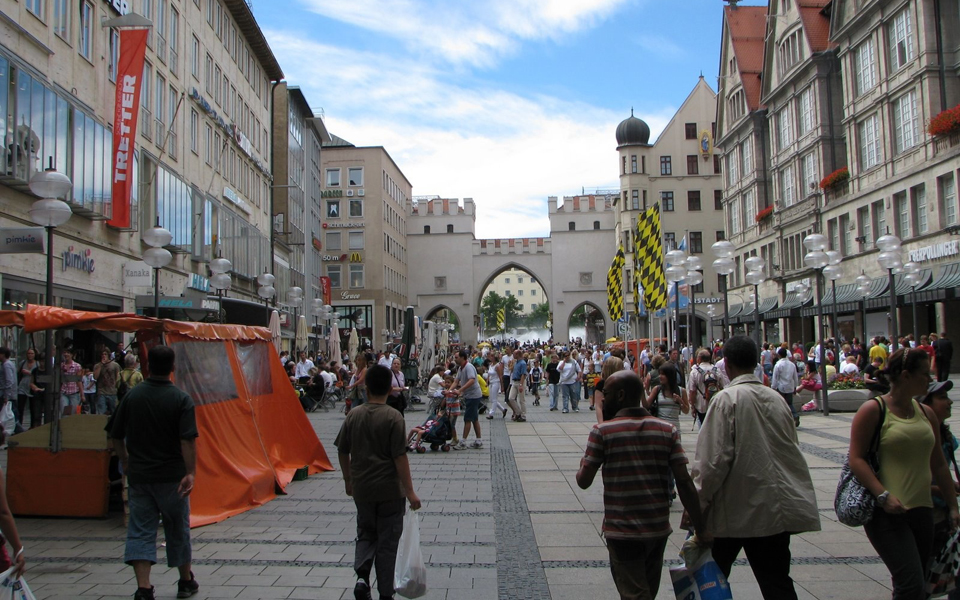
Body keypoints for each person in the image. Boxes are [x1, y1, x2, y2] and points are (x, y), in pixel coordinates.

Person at [691, 335, 820, 600]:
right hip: (773, 510)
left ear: (726, 364)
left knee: (712, 580)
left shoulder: (726, 399)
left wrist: (698, 507)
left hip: (734, 509)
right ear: (756, 362)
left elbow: (713, 461)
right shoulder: (776, 399)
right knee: (776, 582)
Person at [576, 370, 710, 600]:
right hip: (657, 528)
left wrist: (584, 462)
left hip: (621, 529)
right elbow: (684, 481)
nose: (603, 398)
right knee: (647, 588)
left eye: (606, 393)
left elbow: (583, 481)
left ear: (620, 395)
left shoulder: (603, 432)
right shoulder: (667, 430)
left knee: (635, 593)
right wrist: (701, 527)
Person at [848, 347, 959, 600]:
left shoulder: (925, 413)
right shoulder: (874, 410)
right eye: (924, 374)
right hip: (887, 512)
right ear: (906, 376)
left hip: (922, 510)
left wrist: (953, 506)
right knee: (910, 584)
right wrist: (883, 495)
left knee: (917, 586)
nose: (929, 379)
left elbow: (939, 465)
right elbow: (856, 459)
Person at [109, 345, 199, 600]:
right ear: (173, 368)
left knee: (140, 530)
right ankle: (185, 581)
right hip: (173, 478)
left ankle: (144, 588)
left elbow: (115, 434)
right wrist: (190, 472)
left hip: (140, 477)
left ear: (147, 366)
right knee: (177, 528)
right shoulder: (181, 399)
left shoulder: (132, 397)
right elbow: (187, 440)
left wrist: (125, 461)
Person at [334, 364, 421, 600]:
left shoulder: (354, 415)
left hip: (362, 488)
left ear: (366, 388)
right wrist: (410, 492)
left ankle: (362, 577)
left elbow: (342, 450)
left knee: (365, 533)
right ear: (390, 390)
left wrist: (348, 479)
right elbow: (399, 456)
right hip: (390, 490)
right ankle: (385, 593)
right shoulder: (394, 417)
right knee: (388, 542)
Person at [921, 380, 960, 600]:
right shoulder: (920, 436)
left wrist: (950, 487)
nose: (949, 402)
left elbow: (942, 469)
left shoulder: (944, 434)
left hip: (943, 511)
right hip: (927, 512)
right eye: (942, 397)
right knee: (920, 576)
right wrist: (941, 490)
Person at [449, 350, 484, 449]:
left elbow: (472, 380)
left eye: (456, 357)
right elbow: (456, 381)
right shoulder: (461, 368)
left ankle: (463, 442)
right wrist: (449, 391)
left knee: (467, 419)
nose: (455, 359)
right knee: (474, 418)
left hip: (473, 395)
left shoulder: (468, 367)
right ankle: (478, 440)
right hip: (469, 395)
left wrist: (460, 390)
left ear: (462, 358)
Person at [687, 349, 721, 427]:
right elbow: (723, 387)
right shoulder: (716, 370)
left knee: (703, 426)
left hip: (701, 406)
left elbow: (692, 391)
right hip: (715, 404)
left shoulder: (694, 372)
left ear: (699, 359)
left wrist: (692, 406)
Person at [770, 348, 800, 427]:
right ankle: (795, 415)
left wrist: (773, 387)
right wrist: (795, 387)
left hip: (781, 386)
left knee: (782, 404)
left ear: (779, 355)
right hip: (790, 386)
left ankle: (784, 420)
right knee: (790, 403)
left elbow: (775, 377)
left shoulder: (778, 364)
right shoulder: (792, 364)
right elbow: (795, 377)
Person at [593, 356, 624, 424]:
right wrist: (601, 423)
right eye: (621, 367)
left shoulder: (623, 383)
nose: (623, 370)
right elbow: (599, 406)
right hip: (608, 418)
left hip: (623, 418)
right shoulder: (601, 384)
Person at [16, 348, 39, 429]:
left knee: (33, 408)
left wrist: (29, 373)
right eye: (29, 353)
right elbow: (18, 373)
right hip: (22, 386)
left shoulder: (37, 364)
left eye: (32, 353)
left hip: (32, 387)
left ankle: (32, 426)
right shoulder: (22, 363)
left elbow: (38, 375)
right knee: (20, 407)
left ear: (35, 354)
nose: (30, 355)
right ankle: (19, 426)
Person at [94, 349, 121, 416]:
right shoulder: (97, 365)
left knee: (114, 412)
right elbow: (95, 377)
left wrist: (116, 387)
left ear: (108, 355)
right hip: (101, 392)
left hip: (112, 392)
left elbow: (117, 377)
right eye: (102, 354)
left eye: (105, 354)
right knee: (101, 413)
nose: (104, 356)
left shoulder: (115, 365)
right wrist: (101, 365)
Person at [60, 349, 83, 417]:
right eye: (65, 352)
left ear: (72, 355)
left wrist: (82, 394)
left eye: (68, 353)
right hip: (64, 392)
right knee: (64, 412)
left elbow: (79, 381)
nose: (66, 354)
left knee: (74, 413)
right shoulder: (61, 365)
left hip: (74, 392)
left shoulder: (77, 366)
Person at [507, 349, 528, 422]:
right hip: (514, 381)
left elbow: (523, 374)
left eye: (514, 354)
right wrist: (510, 365)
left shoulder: (523, 363)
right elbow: (511, 370)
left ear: (518, 355)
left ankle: (523, 415)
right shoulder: (516, 362)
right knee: (511, 398)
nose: (513, 355)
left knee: (521, 399)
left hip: (520, 381)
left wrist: (521, 384)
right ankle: (518, 412)